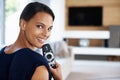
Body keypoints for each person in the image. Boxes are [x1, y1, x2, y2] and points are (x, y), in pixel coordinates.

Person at [0, 2, 62, 80]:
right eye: (40, 26)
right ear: (23, 24)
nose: (46, 34)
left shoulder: (3, 51)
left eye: (49, 28)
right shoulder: (38, 64)